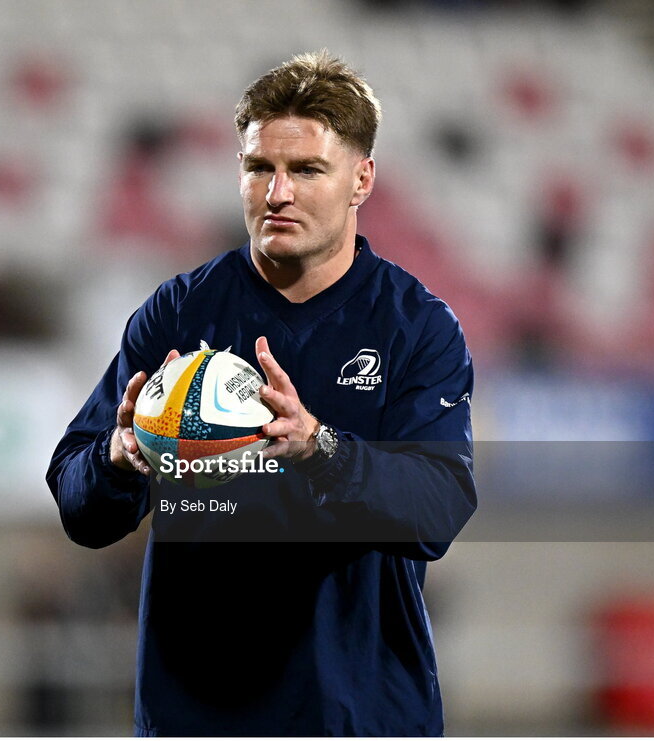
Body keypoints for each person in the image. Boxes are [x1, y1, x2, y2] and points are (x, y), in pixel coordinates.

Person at [47, 50, 476, 736]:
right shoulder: (179, 315)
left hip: (360, 717)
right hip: (195, 717)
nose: (277, 193)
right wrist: (116, 459)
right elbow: (77, 499)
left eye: (306, 170)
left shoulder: (414, 327)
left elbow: (439, 506)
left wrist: (319, 449)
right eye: (258, 168)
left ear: (361, 179)